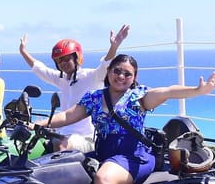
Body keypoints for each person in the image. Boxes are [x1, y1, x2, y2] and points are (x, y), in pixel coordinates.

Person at [40, 54, 215, 184]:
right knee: (63, 169)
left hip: (133, 155)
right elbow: (67, 116)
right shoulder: (94, 97)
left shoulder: (137, 97)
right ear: (108, 72)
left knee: (103, 178)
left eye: (128, 73)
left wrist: (198, 90)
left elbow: (167, 92)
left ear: (134, 78)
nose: (121, 76)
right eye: (117, 70)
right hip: (104, 153)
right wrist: (39, 124)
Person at [18, 24, 131, 152]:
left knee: (60, 145)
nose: (63, 63)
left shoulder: (91, 76)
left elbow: (105, 66)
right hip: (62, 133)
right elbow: (40, 69)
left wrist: (114, 47)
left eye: (67, 59)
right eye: (59, 61)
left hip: (86, 137)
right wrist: (23, 52)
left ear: (77, 57)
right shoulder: (62, 79)